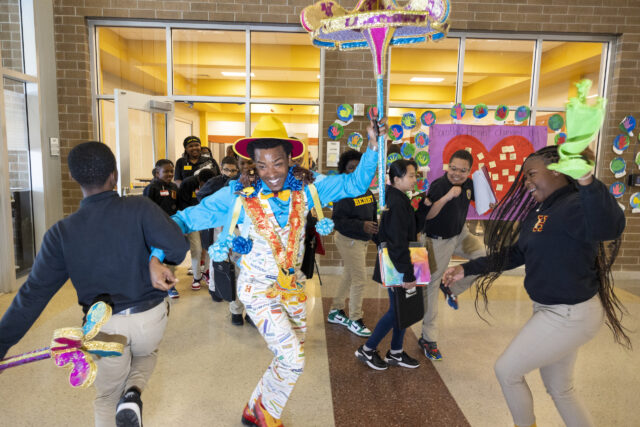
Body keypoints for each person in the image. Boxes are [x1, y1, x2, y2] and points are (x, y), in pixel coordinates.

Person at [159, 115, 383, 427]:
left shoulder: (309, 188)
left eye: (277, 163)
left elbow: (356, 183)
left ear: (291, 159)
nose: (270, 173)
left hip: (293, 289)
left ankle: (257, 411)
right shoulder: (236, 193)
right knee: (293, 359)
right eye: (262, 165)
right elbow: (188, 218)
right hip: (257, 290)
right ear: (252, 164)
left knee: (290, 357)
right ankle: (262, 419)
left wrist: (373, 145)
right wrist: (154, 250)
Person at [0, 142, 188, 427]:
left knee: (106, 396)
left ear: (75, 179)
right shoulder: (140, 207)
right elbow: (177, 248)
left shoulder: (60, 233)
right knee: (147, 354)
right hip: (150, 317)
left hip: (103, 329)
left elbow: (32, 296)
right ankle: (133, 394)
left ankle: (123, 397)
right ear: (113, 176)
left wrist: (2, 344)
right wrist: (155, 259)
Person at [443, 146, 629, 427]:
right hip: (553, 310)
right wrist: (466, 268)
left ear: (556, 171)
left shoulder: (576, 204)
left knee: (507, 371)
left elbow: (609, 227)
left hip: (570, 314)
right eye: (524, 177)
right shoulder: (542, 210)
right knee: (560, 389)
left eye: (531, 175)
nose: (526, 182)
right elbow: (516, 254)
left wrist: (588, 178)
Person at [417, 149, 485, 361]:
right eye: (453, 169)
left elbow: (482, 201)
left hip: (460, 233)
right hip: (437, 240)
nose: (457, 174)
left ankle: (451, 287)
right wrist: (447, 197)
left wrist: (488, 200)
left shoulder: (469, 183)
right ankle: (428, 338)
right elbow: (428, 214)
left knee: (483, 258)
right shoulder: (439, 186)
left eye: (462, 171)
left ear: (469, 171)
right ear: (448, 166)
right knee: (430, 288)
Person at [355, 159, 422, 371]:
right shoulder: (396, 202)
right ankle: (367, 349)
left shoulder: (395, 198)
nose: (414, 180)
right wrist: (407, 273)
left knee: (402, 309)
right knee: (396, 311)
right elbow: (396, 242)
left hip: (398, 265)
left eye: (414, 175)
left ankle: (396, 352)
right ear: (396, 179)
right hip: (398, 266)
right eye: (410, 176)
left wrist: (425, 207)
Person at [327, 149, 378, 337]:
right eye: (351, 168)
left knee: (349, 275)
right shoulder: (343, 191)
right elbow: (338, 221)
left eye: (359, 168)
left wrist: (375, 234)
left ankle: (336, 310)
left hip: (361, 241)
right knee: (360, 279)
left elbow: (372, 216)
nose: (355, 171)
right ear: (344, 170)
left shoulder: (367, 191)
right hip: (348, 239)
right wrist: (361, 225)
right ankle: (355, 318)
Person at [143, 159, 181, 299]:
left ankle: (170, 284)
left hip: (171, 226)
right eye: (165, 171)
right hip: (156, 228)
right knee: (157, 256)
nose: (169, 174)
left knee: (170, 255)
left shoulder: (173, 187)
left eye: (171, 171)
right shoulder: (151, 188)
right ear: (156, 173)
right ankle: (155, 281)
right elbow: (146, 208)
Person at [177, 168, 215, 290]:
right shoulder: (187, 184)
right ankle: (196, 276)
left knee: (209, 247)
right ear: (199, 180)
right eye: (204, 184)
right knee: (197, 249)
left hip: (207, 220)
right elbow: (182, 204)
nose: (207, 187)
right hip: (191, 220)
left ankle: (207, 273)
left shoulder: (213, 185)